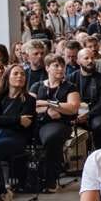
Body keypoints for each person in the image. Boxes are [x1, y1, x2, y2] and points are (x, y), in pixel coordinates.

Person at [0, 65, 37, 201]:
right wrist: (17, 119)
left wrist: (6, 121)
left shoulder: (29, 99)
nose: (20, 76)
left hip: (17, 138)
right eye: (15, 73)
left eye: (22, 74)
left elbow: (26, 124)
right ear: (7, 77)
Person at [31, 54, 81, 192]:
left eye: (62, 66)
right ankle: (30, 179)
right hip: (39, 122)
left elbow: (72, 108)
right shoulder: (37, 86)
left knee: (52, 138)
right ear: (47, 68)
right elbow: (31, 106)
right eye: (56, 66)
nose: (60, 69)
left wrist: (47, 103)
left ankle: (50, 180)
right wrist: (50, 109)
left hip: (61, 123)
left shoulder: (70, 87)